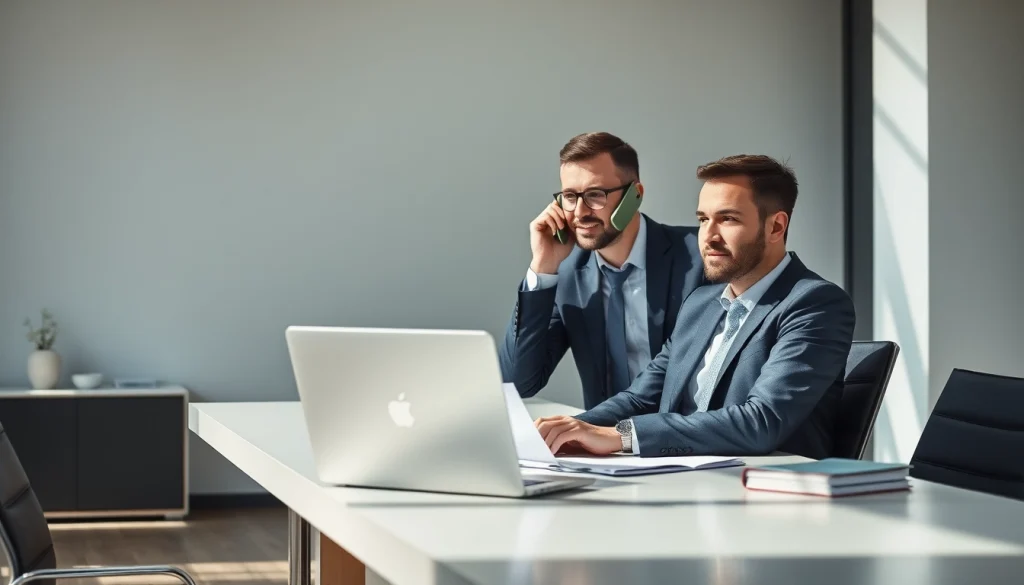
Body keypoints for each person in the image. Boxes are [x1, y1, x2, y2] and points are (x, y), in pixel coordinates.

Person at [534, 154, 856, 460]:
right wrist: (564, 430)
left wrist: (624, 436)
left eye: (727, 219)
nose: (708, 236)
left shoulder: (814, 304)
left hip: (764, 493)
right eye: (703, 219)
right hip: (683, 480)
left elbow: (761, 422)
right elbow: (641, 397)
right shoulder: (701, 304)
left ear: (775, 227)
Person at [497, 132, 705, 410]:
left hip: (684, 442)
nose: (580, 212)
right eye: (570, 197)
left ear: (636, 195)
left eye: (595, 195)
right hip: (602, 443)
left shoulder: (699, 256)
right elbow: (517, 383)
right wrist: (542, 266)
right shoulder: (567, 275)